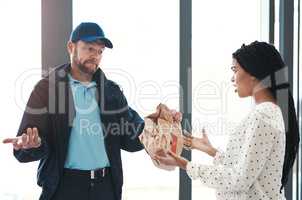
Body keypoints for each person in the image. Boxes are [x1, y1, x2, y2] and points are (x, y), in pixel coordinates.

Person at [2, 22, 146, 200]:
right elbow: (28, 144)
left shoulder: (111, 91)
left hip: (106, 188)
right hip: (64, 188)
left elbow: (132, 136)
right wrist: (32, 144)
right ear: (71, 47)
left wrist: (161, 123)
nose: (95, 56)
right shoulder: (47, 89)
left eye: (100, 51)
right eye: (89, 48)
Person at [154, 41, 300, 200]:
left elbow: (239, 180)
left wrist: (184, 164)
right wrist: (211, 151)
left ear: (253, 73)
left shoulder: (263, 115)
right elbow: (248, 170)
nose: (232, 78)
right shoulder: (270, 112)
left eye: (235, 69)